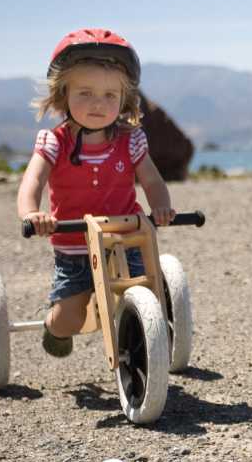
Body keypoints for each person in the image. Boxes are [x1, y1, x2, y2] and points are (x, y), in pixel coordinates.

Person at [17, 29, 176, 356]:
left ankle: (144, 347)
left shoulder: (130, 140)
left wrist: (161, 207)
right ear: (63, 94)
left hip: (125, 240)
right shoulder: (55, 142)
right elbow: (32, 181)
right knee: (69, 321)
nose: (98, 104)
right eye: (85, 93)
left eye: (109, 95)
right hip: (74, 248)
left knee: (146, 295)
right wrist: (32, 213)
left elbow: (152, 181)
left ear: (124, 99)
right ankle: (53, 326)